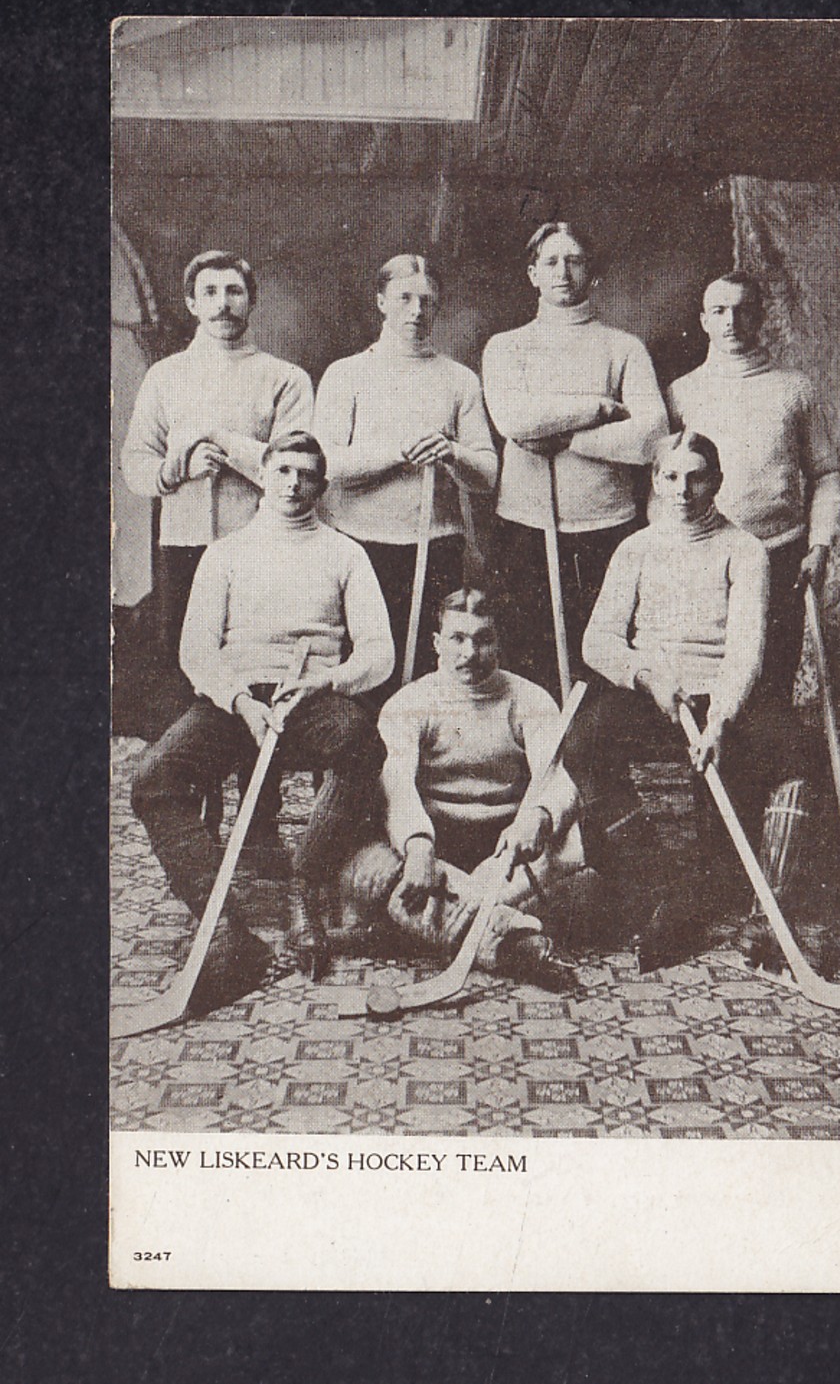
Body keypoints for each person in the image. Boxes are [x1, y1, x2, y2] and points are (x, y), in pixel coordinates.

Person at [131, 432, 394, 1009]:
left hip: (312, 698)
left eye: (307, 475)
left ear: (321, 487)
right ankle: (225, 927)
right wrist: (240, 702)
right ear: (263, 476)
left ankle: (306, 878)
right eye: (283, 472)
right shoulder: (226, 553)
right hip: (234, 701)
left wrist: (326, 680)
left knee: (361, 740)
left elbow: (380, 652)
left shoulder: (345, 553)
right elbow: (196, 652)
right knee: (153, 776)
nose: (294, 484)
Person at [565, 429, 775, 968]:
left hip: (718, 695)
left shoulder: (745, 550)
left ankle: (715, 891)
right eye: (671, 477)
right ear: (655, 482)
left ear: (718, 481)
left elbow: (746, 649)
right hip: (653, 693)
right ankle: (653, 876)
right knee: (581, 746)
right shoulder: (635, 547)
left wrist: (722, 715)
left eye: (697, 476)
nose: (683, 490)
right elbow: (598, 640)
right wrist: (644, 674)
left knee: (776, 754)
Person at [333, 589, 583, 988]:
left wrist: (538, 818)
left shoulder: (530, 699)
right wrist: (418, 846)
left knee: (569, 847)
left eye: (483, 639)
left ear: (498, 641)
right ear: (436, 643)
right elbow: (395, 783)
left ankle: (438, 924)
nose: (470, 652)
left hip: (506, 848)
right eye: (458, 639)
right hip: (435, 843)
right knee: (365, 864)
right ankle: (515, 942)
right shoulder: (409, 702)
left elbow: (557, 780)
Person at [482, 222, 667, 698]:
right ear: (532, 274)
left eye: (575, 260)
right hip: (525, 523)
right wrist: (597, 408)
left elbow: (651, 437)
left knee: (605, 651)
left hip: (607, 524)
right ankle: (540, 755)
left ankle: (593, 763)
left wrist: (567, 441)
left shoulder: (624, 348)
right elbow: (513, 420)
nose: (563, 271)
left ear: (592, 272)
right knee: (529, 653)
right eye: (550, 261)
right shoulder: (506, 346)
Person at [312, 254, 497, 695]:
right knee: (367, 662)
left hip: (436, 545)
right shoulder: (346, 374)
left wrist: (452, 452)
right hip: (360, 544)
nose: (416, 311)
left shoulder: (459, 379)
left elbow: (487, 473)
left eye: (427, 301)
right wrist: (399, 452)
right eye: (405, 298)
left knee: (429, 665)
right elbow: (326, 465)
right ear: (381, 302)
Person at [122, 250, 314, 674]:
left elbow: (300, 468)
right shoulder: (165, 376)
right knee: (185, 662)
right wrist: (178, 470)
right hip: (183, 544)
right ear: (192, 303)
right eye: (209, 292)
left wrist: (227, 445)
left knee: (256, 658)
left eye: (234, 291)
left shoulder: (286, 378)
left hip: (261, 543)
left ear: (251, 300)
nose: (223, 303)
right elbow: (136, 462)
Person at [662, 271, 840, 705]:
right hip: (707, 553)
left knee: (773, 671)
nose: (731, 321)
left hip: (779, 550)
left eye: (743, 310)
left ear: (760, 316)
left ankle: (770, 772)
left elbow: (827, 475)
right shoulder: (682, 393)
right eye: (720, 311)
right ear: (704, 320)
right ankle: (715, 766)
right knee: (713, 671)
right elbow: (662, 484)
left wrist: (818, 546)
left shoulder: (795, 388)